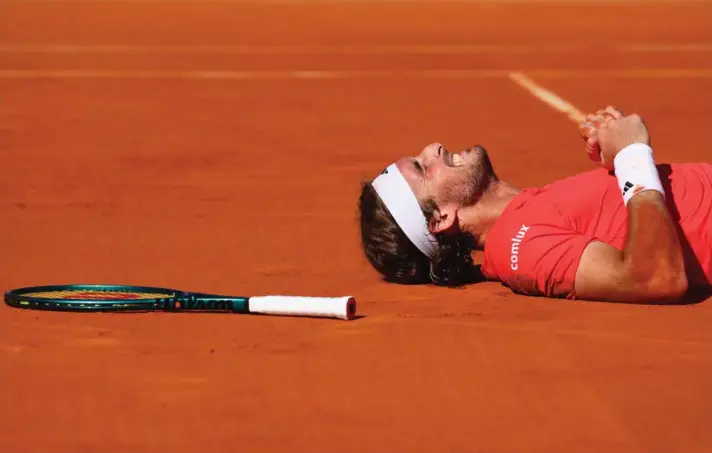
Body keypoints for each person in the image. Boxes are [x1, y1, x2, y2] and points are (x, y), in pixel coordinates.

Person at [358, 106, 712, 303]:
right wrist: (633, 156)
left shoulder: (524, 215)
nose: (433, 148)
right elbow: (653, 277)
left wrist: (618, 166)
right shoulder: (520, 245)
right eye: (422, 169)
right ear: (440, 219)